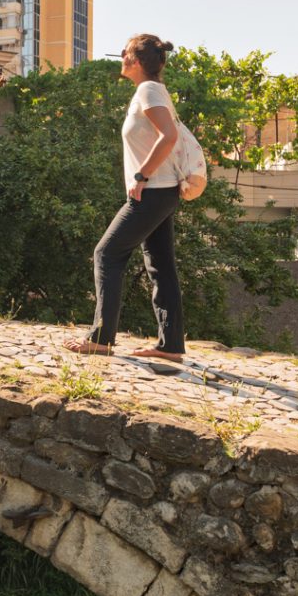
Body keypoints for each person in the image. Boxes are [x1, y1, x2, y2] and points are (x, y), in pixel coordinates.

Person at [64, 33, 186, 362]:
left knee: (106, 253)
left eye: (125, 52)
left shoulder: (148, 90)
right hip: (162, 190)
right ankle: (171, 345)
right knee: (160, 266)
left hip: (153, 190)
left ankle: (102, 338)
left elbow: (169, 136)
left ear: (135, 60)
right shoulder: (151, 91)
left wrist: (142, 175)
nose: (121, 56)